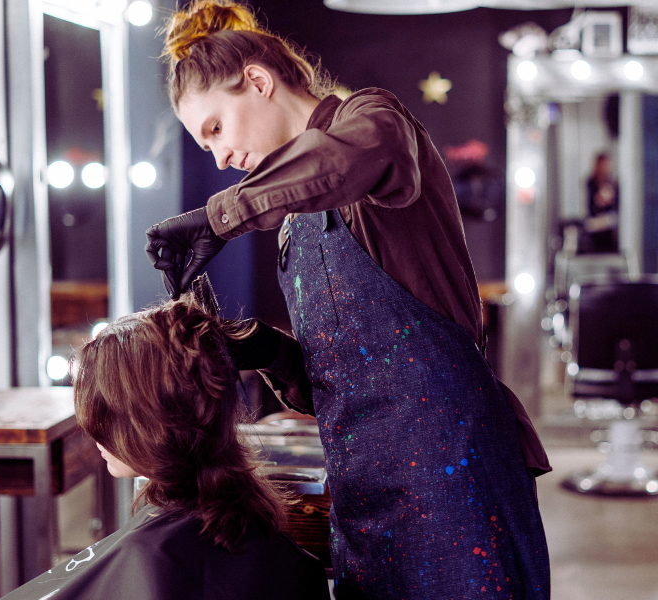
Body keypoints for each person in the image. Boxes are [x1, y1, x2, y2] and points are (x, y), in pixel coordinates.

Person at [144, 2, 553, 598]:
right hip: (363, 495)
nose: (221, 157)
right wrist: (266, 350)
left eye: (215, 130)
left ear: (257, 81)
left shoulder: (375, 122)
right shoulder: (293, 224)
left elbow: (346, 162)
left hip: (454, 480)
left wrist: (220, 216)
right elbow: (344, 381)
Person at [1, 298, 330, 600]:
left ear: (148, 425)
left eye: (105, 417)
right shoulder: (254, 521)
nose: (93, 433)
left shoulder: (150, 554)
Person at [584, 151, 619, 253]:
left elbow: (613, 203)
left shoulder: (611, 181)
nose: (605, 167)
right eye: (603, 164)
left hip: (608, 226)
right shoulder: (591, 181)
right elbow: (594, 202)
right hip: (595, 225)